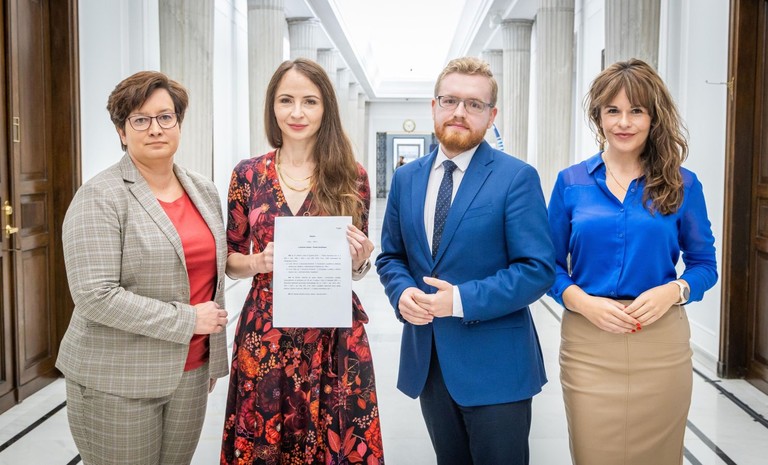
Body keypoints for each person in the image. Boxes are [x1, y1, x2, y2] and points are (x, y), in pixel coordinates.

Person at [376, 56, 555, 465]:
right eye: (450, 100)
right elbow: (392, 255)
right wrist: (401, 292)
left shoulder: (516, 177)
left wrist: (459, 300)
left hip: (497, 368)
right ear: (433, 106)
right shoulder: (406, 178)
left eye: (474, 104)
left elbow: (537, 269)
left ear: (492, 115)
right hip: (430, 362)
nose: (459, 112)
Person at [547, 59, 718, 465]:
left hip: (661, 342)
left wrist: (674, 291)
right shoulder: (571, 182)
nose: (624, 122)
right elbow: (547, 266)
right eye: (613, 110)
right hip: (589, 343)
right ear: (598, 116)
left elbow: (705, 264)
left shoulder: (683, 183)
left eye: (636, 111)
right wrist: (581, 301)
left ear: (653, 117)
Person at [58, 71, 230, 465]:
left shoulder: (203, 190)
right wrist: (188, 320)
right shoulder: (99, 196)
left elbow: (210, 274)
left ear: (179, 124)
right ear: (122, 131)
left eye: (165, 117)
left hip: (190, 372)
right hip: (117, 379)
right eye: (140, 119)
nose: (155, 128)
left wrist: (212, 359)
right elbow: (94, 296)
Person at [220, 58, 384, 464]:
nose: (297, 112)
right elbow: (230, 258)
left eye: (309, 101)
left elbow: (356, 266)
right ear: (272, 107)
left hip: (333, 334)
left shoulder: (351, 176)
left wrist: (360, 261)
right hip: (266, 333)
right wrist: (257, 263)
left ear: (326, 108)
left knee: (336, 441)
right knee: (265, 442)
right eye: (286, 100)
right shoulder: (248, 175)